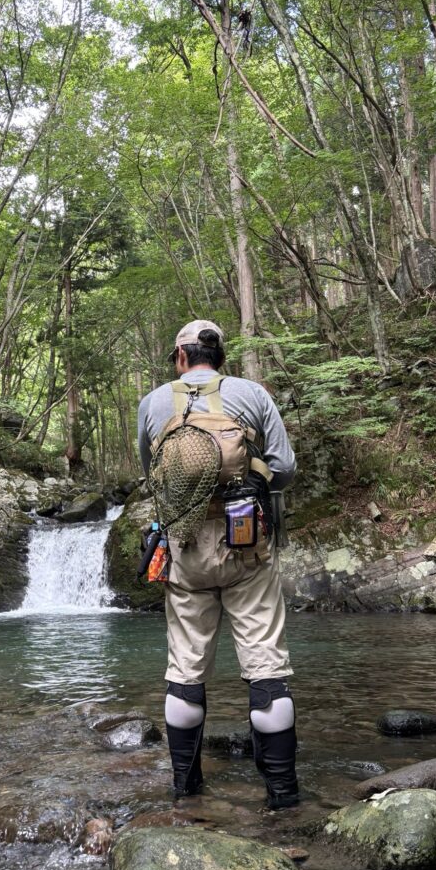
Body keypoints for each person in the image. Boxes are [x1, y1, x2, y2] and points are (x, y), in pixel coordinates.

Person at [137, 319, 299, 810]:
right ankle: (283, 798)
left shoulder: (153, 403)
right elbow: (285, 469)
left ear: (181, 356)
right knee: (266, 668)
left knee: (185, 670)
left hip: (184, 548)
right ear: (220, 356)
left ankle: (187, 793)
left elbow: (151, 474)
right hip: (246, 542)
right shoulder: (252, 394)